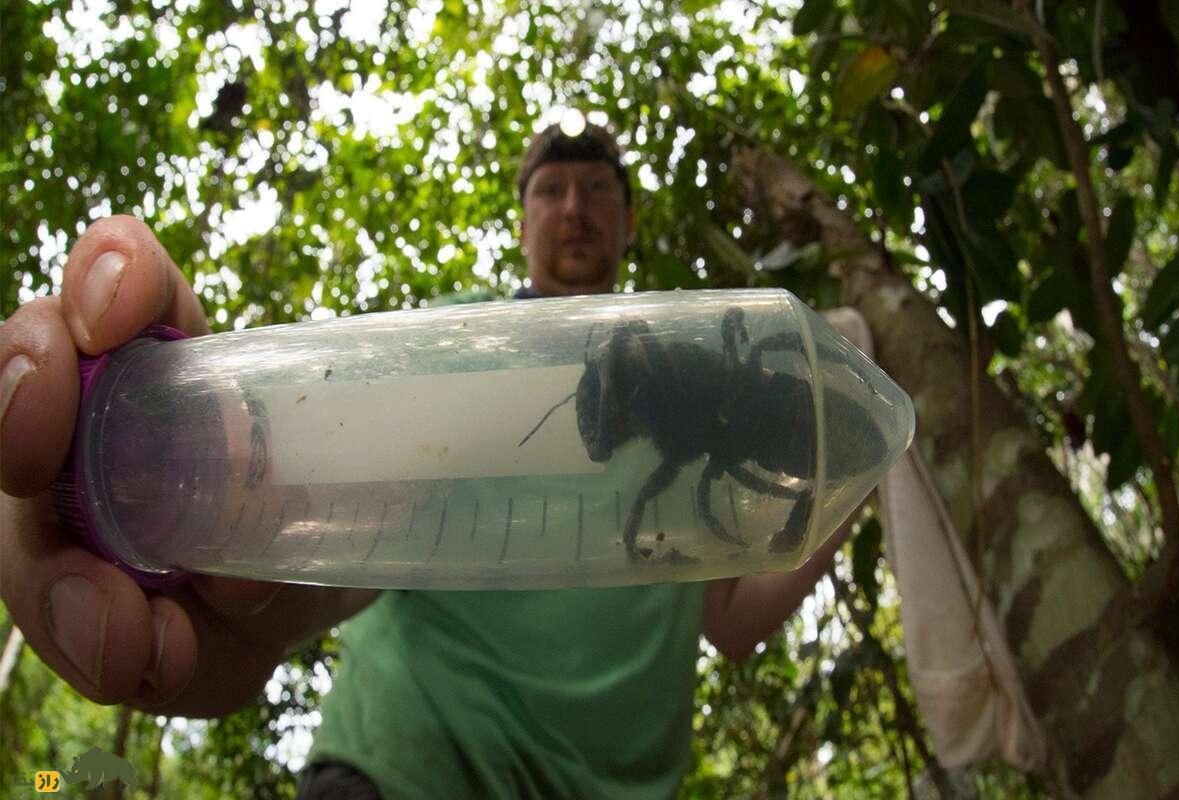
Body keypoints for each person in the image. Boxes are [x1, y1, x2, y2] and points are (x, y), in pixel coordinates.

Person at [0, 121, 851, 798]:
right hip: (410, 767)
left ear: (629, 221)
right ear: (523, 224)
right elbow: (352, 522)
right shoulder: (462, 337)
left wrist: (852, 481)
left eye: (598, 191)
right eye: (550, 191)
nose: (574, 208)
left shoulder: (691, 345)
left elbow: (733, 618)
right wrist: (242, 572)